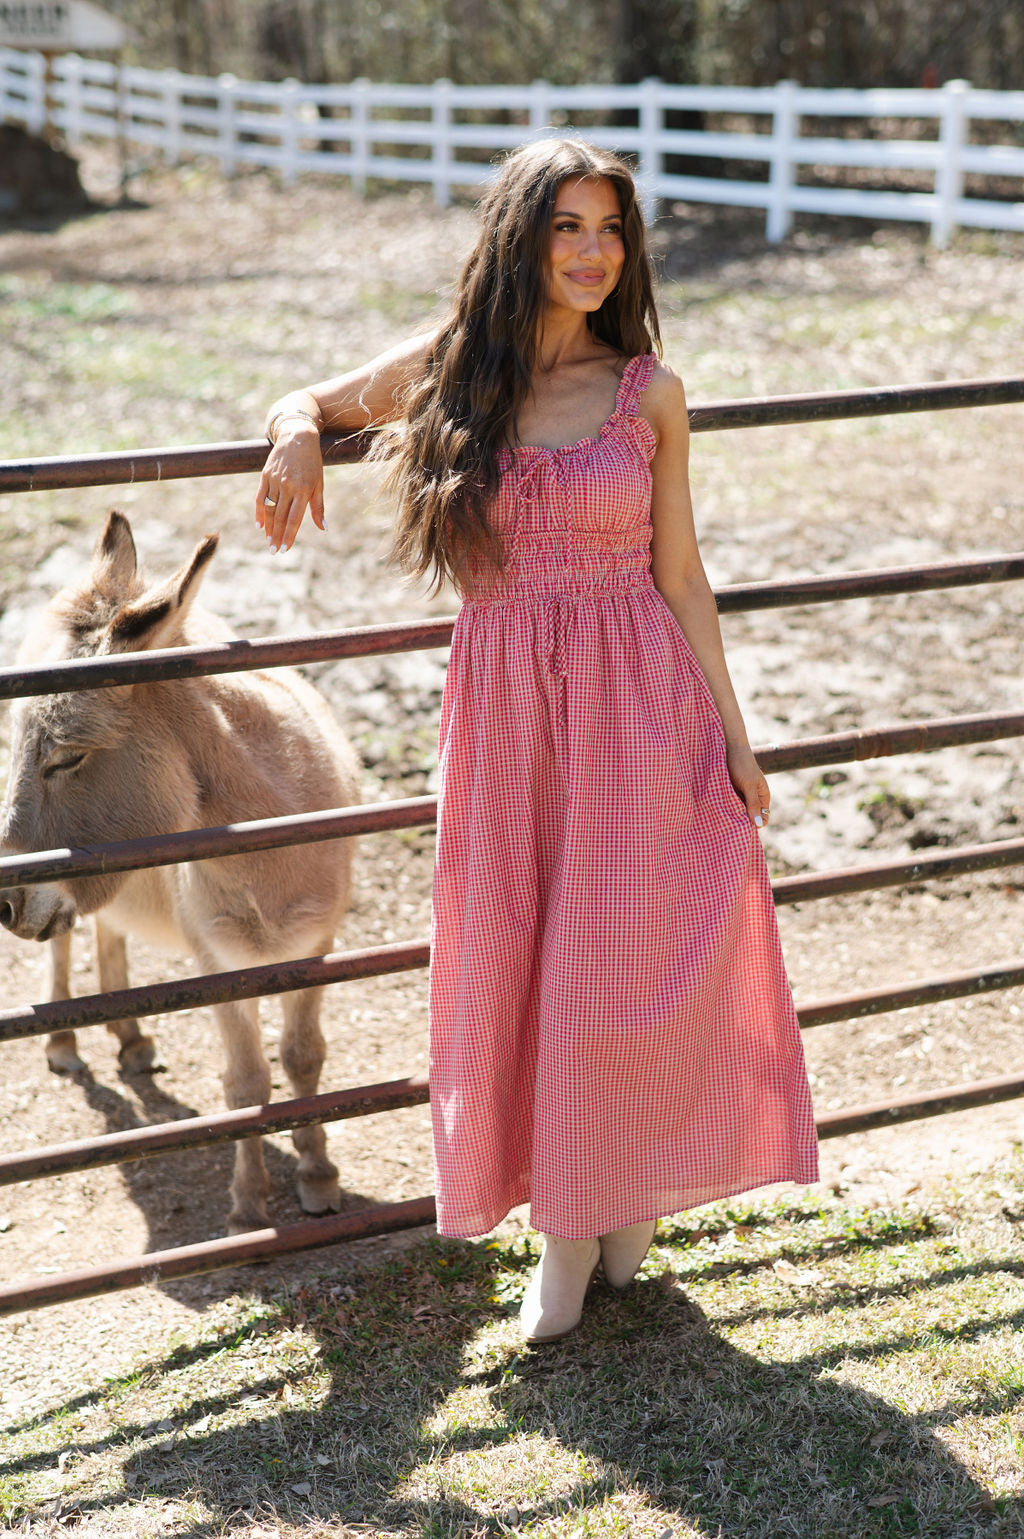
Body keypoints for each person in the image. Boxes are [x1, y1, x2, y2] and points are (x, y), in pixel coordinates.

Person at [255, 137, 819, 1344]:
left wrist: (735, 737)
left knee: (622, 961)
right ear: (523, 238)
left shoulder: (647, 390)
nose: (592, 252)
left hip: (638, 703)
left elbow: (681, 570)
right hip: (508, 711)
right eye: (566, 227)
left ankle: (592, 1224)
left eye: (610, 229)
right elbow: (312, 395)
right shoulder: (459, 368)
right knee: (521, 953)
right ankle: (581, 1227)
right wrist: (296, 428)